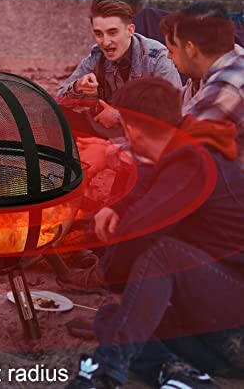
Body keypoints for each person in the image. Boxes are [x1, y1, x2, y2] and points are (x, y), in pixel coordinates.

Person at [66, 78, 244, 389]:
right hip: (217, 332)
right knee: (114, 317)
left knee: (161, 253)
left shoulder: (195, 159)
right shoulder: (185, 144)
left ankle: (105, 373)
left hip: (234, 324)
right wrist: (118, 208)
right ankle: (180, 374)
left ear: (131, 130)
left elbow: (138, 231)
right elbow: (151, 186)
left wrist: (116, 280)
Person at [57, 0, 181, 130]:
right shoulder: (97, 55)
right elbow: (59, 99)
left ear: (130, 30)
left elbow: (173, 112)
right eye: (98, 34)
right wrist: (78, 86)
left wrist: (119, 117)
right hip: (111, 133)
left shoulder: (156, 58)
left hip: (148, 137)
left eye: (112, 32)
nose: (105, 42)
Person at [160, 2, 244, 169]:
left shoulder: (229, 84)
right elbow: (177, 109)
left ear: (190, 49)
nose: (169, 58)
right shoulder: (218, 68)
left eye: (173, 48)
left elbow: (176, 138)